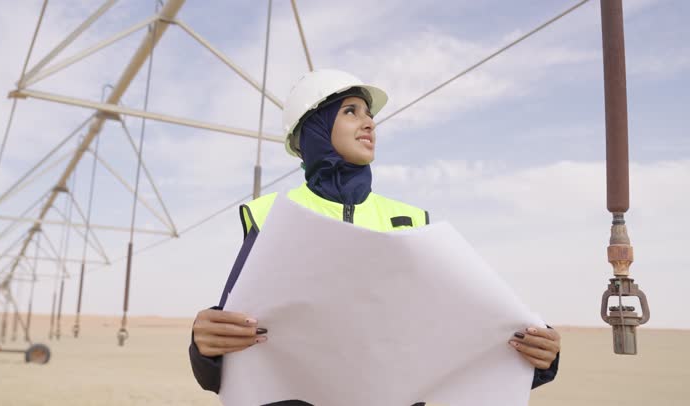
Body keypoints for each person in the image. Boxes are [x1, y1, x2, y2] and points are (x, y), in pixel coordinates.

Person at [189, 69, 561, 404]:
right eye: (351, 111)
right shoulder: (269, 215)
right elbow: (237, 342)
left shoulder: (411, 221)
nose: (369, 123)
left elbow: (453, 328)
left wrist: (537, 355)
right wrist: (205, 347)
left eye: (369, 114)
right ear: (313, 128)